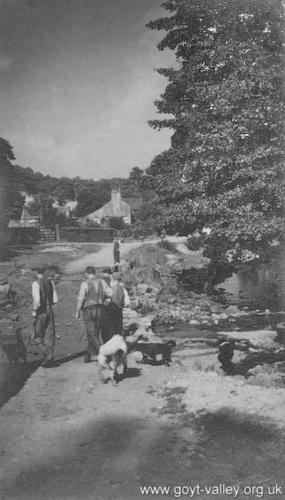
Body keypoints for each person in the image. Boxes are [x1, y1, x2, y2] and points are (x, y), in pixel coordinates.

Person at [75, 266, 112, 363]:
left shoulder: (85, 283)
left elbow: (81, 298)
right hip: (100, 309)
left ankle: (103, 353)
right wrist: (106, 300)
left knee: (92, 334)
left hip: (88, 310)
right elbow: (110, 293)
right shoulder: (102, 282)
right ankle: (89, 354)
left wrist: (77, 311)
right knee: (94, 332)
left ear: (87, 273)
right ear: (94, 273)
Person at [32, 266, 58, 367]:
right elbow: (55, 299)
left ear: (36, 272)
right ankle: (50, 355)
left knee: (36, 335)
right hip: (50, 310)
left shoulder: (36, 283)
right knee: (50, 334)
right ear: (44, 272)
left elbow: (37, 301)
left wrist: (34, 311)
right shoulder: (50, 282)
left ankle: (48, 355)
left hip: (41, 311)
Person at [101, 271, 130, 343]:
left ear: (113, 280)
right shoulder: (121, 288)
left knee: (112, 330)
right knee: (118, 329)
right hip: (120, 311)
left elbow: (111, 301)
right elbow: (125, 302)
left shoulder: (114, 289)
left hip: (114, 312)